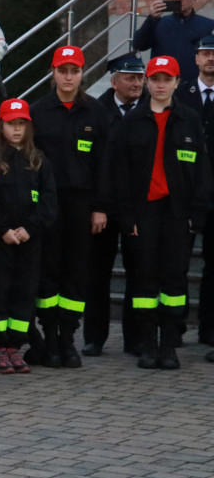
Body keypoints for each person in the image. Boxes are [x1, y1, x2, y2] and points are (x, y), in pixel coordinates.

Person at [113, 56, 212, 369]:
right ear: (146, 81)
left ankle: (169, 344)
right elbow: (121, 173)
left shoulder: (189, 119)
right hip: (143, 213)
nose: (158, 84)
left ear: (176, 82)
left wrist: (198, 212)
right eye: (154, 78)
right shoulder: (132, 120)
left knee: (174, 281)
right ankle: (147, 344)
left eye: (165, 79)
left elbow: (200, 170)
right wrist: (125, 216)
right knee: (143, 279)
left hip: (177, 213)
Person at [30, 45, 111, 368]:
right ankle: (50, 338)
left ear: (82, 73)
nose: (68, 77)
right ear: (53, 72)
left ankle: (68, 339)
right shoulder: (37, 112)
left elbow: (105, 164)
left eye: (74, 71)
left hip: (82, 204)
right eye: (62, 71)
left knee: (76, 273)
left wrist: (101, 207)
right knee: (48, 272)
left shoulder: (96, 113)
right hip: (48, 204)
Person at [0, 98, 58, 373]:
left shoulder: (38, 160)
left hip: (30, 240)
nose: (16, 130)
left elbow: (49, 202)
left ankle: (15, 348)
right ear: (0, 125)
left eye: (21, 124)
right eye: (11, 124)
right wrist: (2, 229)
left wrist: (30, 228)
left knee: (24, 292)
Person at [83, 52, 146, 357]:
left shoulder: (152, 109)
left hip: (138, 207)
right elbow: (95, 164)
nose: (137, 83)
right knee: (97, 274)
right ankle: (95, 337)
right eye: (130, 77)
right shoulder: (97, 111)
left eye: (140, 77)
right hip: (103, 206)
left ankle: (135, 339)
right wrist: (98, 206)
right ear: (114, 81)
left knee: (138, 273)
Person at [175, 36, 214, 348]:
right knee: (177, 262)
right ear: (196, 58)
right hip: (184, 194)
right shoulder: (181, 95)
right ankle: (175, 326)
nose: (210, 59)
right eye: (205, 53)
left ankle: (210, 330)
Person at [134, 0, 214, 86]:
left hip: (194, 87)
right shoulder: (158, 23)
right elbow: (139, 45)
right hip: (164, 86)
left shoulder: (208, 25)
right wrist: (151, 19)